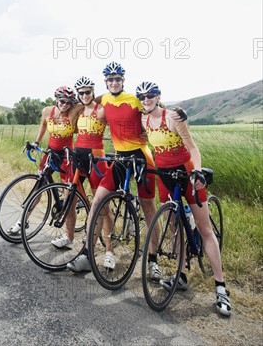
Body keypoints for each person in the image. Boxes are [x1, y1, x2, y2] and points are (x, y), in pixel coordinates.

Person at [136, 80, 231, 317]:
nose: (146, 99)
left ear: (158, 96)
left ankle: (220, 287)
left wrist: (197, 171)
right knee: (174, 226)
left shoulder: (173, 118)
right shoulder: (143, 119)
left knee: (205, 228)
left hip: (187, 174)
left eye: (150, 95)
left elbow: (193, 148)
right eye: (142, 97)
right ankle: (180, 275)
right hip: (164, 177)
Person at [67, 62, 162, 279]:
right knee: (98, 202)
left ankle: (153, 260)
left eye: (117, 78)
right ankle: (86, 255)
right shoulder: (105, 99)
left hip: (141, 157)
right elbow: (88, 102)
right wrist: (72, 103)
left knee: (149, 208)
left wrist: (176, 112)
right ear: (105, 82)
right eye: (110, 79)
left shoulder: (135, 99)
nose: (114, 82)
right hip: (120, 158)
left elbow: (155, 108)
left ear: (123, 80)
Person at [51, 77, 112, 265]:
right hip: (78, 157)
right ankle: (69, 238)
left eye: (88, 92)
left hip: (96, 158)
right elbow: (58, 112)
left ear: (93, 91)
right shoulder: (76, 110)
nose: (85, 95)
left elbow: (116, 110)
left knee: (102, 204)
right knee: (70, 198)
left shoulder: (101, 110)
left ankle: (109, 250)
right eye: (82, 92)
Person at [7, 86, 79, 236]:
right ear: (56, 99)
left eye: (68, 102)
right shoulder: (47, 111)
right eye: (62, 101)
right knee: (39, 185)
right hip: (51, 152)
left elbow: (86, 104)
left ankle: (67, 231)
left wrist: (76, 101)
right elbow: (44, 124)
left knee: (68, 192)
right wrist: (37, 142)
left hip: (66, 155)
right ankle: (22, 222)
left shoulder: (72, 112)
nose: (64, 104)